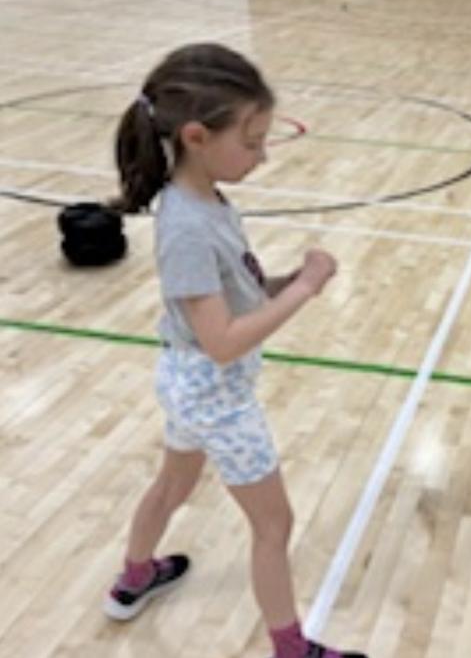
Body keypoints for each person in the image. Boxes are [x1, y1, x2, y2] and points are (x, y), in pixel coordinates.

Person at [104, 42, 366, 658]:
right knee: (274, 525)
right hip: (215, 393)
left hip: (185, 382)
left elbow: (235, 297)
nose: (262, 153)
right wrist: (302, 289)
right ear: (196, 136)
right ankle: (291, 648)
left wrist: (281, 283)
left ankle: (134, 578)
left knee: (171, 485)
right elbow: (222, 342)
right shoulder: (188, 227)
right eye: (251, 141)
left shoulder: (206, 202)